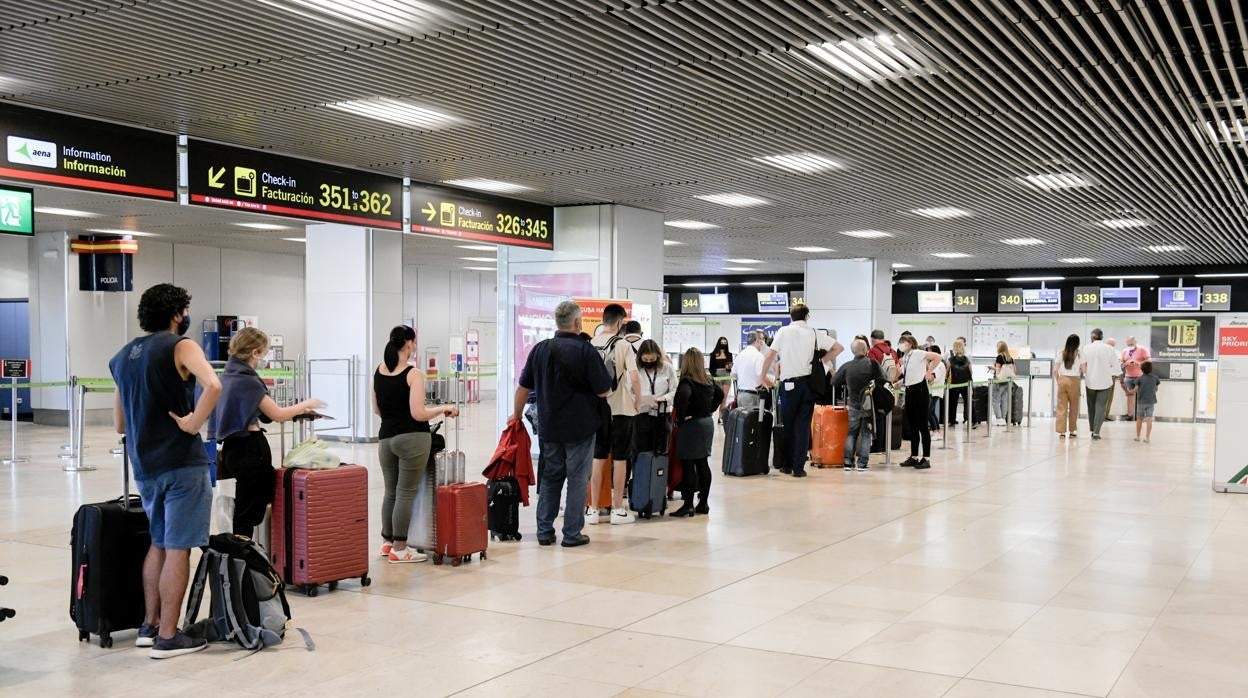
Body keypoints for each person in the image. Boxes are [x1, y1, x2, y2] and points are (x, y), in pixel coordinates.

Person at [110, 283, 221, 659]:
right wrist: (193, 422)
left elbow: (120, 424)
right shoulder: (181, 346)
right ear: (176, 314)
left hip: (145, 466)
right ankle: (170, 637)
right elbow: (214, 384)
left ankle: (150, 625)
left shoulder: (122, 357)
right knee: (179, 548)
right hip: (182, 464)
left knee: (157, 542)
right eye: (185, 310)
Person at [513, 301, 613, 547]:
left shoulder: (540, 349)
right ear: (578, 323)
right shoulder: (586, 352)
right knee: (578, 479)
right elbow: (603, 391)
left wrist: (515, 417)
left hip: (549, 427)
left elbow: (524, 387)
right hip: (580, 427)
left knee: (551, 477)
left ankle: (544, 531)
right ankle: (571, 533)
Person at [208, 327, 325, 537]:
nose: (266, 356)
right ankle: (246, 556)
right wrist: (306, 403)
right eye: (265, 351)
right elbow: (277, 414)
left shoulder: (227, 376)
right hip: (250, 449)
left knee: (243, 505)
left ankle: (245, 551)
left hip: (231, 451)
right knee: (250, 509)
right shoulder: (248, 381)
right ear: (255, 353)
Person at [373, 326, 459, 563]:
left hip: (386, 439)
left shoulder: (378, 372)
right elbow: (419, 413)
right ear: (409, 344)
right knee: (406, 492)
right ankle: (401, 549)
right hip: (412, 438)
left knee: (391, 491)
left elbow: (377, 410)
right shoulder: (413, 374)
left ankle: (387, 543)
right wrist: (444, 408)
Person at [760, 303, 835, 478]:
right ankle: (799, 468)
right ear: (807, 316)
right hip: (808, 385)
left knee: (788, 425)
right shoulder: (815, 332)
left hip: (789, 385)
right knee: (802, 426)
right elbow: (838, 348)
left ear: (790, 316)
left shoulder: (783, 331)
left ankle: (786, 465)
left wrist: (762, 377)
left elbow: (770, 355)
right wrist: (821, 362)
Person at [589, 303, 640, 525]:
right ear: (620, 322)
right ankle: (617, 508)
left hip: (597, 409)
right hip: (622, 409)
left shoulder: (590, 344)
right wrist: (638, 401)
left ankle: (592, 508)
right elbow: (634, 376)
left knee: (597, 457)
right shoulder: (623, 345)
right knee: (620, 458)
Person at [673, 348, 723, 516]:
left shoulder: (687, 382)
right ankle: (703, 503)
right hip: (707, 423)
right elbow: (720, 394)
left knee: (688, 464)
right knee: (702, 463)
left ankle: (688, 504)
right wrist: (710, 408)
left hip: (692, 425)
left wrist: (681, 417)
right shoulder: (708, 379)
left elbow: (683, 398)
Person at [831, 339, 886, 471]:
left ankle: (848, 462)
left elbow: (834, 382)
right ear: (865, 349)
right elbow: (883, 379)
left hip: (853, 404)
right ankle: (862, 463)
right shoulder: (872, 364)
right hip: (868, 404)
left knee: (851, 433)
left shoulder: (846, 366)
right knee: (866, 433)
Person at [896, 335, 942, 469]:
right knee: (913, 426)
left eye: (903, 342)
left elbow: (937, 357)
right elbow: (908, 376)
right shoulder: (905, 357)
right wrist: (897, 383)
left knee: (922, 425)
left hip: (920, 391)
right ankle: (914, 456)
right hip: (909, 391)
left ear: (910, 343)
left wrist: (929, 371)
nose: (901, 344)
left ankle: (926, 458)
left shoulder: (917, 353)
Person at [631, 339, 678, 453]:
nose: (648, 362)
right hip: (641, 415)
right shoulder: (635, 369)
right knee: (641, 452)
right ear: (640, 357)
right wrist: (637, 399)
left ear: (658, 357)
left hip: (662, 415)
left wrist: (665, 398)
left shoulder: (667, 368)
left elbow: (675, 389)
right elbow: (629, 391)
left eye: (652, 359)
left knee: (661, 451)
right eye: (645, 359)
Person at [1081, 328, 1118, 440]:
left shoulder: (1086, 348)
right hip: (1105, 382)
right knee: (1101, 407)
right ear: (1102, 337)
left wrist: (1087, 373)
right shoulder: (1109, 348)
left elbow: (1083, 366)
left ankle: (1092, 428)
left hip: (1090, 382)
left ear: (1092, 337)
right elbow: (1115, 365)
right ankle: (1096, 432)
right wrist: (1118, 374)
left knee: (1091, 406)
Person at [1054, 333, 1082, 438]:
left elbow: (1055, 370)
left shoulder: (1062, 353)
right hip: (1074, 380)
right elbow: (1084, 369)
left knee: (1061, 407)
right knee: (1074, 407)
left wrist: (1059, 381)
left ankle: (1061, 432)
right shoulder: (1079, 354)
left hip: (1062, 379)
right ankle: (1072, 431)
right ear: (1077, 343)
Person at [731, 330, 767, 411]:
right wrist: (772, 384)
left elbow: (733, 375)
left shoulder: (740, 355)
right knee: (752, 422)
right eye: (762, 339)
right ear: (757, 340)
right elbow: (762, 375)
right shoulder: (758, 356)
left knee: (742, 422)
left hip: (740, 395)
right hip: (752, 396)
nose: (763, 342)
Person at [1129, 361, 1160, 443]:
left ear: (1141, 369)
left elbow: (1135, 390)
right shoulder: (1155, 378)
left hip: (1141, 402)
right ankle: (1147, 438)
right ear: (1151, 369)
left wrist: (1129, 391)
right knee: (1149, 419)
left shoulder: (1139, 379)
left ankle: (1138, 436)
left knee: (1139, 419)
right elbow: (1156, 389)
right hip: (1151, 401)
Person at [1120, 336, 1150, 421]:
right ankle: (1130, 415)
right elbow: (1121, 363)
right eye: (1128, 344)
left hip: (1140, 376)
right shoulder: (1125, 351)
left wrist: (1139, 363)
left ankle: (1142, 416)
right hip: (1128, 377)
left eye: (1131, 344)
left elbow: (1149, 360)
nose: (1130, 345)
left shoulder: (1142, 349)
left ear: (1135, 342)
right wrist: (1126, 363)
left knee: (1142, 396)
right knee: (1129, 395)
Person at [947, 339, 973, 426]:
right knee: (969, 402)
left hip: (954, 384)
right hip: (966, 383)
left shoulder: (950, 360)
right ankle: (973, 421)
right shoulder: (967, 359)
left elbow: (947, 372)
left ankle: (952, 421)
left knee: (953, 403)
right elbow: (971, 372)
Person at [991, 341, 1017, 425]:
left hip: (1000, 381)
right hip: (1008, 381)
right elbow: (1015, 370)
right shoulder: (1010, 357)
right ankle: (1003, 418)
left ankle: (999, 419)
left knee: (995, 400)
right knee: (1004, 400)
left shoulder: (999, 357)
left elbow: (998, 369)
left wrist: (992, 367)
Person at [709, 337, 733, 422]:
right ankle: (710, 414)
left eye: (725, 342)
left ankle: (721, 417)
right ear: (719, 343)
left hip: (726, 376)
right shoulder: (713, 354)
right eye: (722, 342)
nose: (723, 344)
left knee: (724, 398)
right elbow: (711, 368)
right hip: (717, 376)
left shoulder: (729, 354)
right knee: (717, 397)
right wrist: (714, 376)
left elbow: (730, 368)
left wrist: (729, 368)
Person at [926, 345, 947, 437]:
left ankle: (935, 431)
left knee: (928, 412)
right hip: (931, 391)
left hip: (935, 391)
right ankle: (937, 431)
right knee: (932, 412)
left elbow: (933, 378)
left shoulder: (940, 364)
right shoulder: (933, 364)